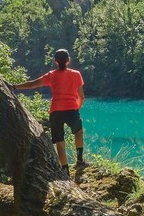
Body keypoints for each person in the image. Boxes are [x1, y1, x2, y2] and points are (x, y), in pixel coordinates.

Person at [11, 49, 87, 177]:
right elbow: (82, 96)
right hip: (71, 109)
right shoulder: (76, 74)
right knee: (78, 132)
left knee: (59, 141)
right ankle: (79, 160)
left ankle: (65, 170)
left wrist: (14, 87)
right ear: (68, 61)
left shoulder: (51, 75)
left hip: (56, 111)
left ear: (56, 61)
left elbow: (32, 84)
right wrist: (76, 108)